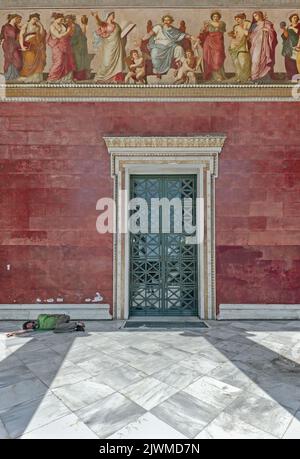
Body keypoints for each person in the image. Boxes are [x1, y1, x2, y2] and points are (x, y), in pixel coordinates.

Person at [92, 11, 126, 83]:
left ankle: (114, 79)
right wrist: (96, 16)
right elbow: (99, 23)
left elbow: (119, 34)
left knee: (117, 62)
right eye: (112, 15)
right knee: (107, 62)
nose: (113, 16)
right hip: (109, 45)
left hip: (117, 46)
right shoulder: (104, 24)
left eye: (114, 15)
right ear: (108, 16)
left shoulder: (116, 24)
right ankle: (100, 77)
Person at [249, 11, 278, 82]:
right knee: (255, 60)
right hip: (256, 45)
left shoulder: (267, 23)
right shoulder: (254, 25)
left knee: (265, 59)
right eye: (254, 16)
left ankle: (264, 76)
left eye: (256, 15)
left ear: (260, 15)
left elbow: (273, 34)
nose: (255, 17)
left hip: (265, 45)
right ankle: (255, 76)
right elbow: (250, 36)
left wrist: (267, 30)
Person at [47, 12, 75, 83]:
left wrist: (71, 28)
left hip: (66, 45)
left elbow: (70, 35)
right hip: (57, 46)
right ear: (56, 19)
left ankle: (64, 78)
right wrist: (68, 31)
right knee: (59, 61)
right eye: (61, 19)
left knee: (67, 61)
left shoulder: (62, 25)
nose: (62, 20)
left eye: (63, 19)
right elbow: (58, 36)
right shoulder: (52, 26)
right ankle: (52, 78)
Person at [18, 13, 46, 83]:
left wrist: (41, 25)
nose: (35, 21)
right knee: (29, 60)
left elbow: (42, 35)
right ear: (30, 18)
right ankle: (27, 77)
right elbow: (21, 35)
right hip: (29, 44)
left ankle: (35, 78)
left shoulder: (38, 26)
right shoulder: (26, 24)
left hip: (37, 45)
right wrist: (22, 46)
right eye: (34, 19)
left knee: (38, 61)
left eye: (37, 20)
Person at [200, 11, 227, 81]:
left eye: (217, 16)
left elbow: (221, 34)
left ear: (219, 17)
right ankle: (214, 76)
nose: (215, 18)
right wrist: (203, 29)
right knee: (209, 59)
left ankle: (219, 75)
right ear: (212, 17)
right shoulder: (208, 24)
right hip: (209, 42)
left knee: (218, 58)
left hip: (218, 42)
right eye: (214, 16)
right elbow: (203, 33)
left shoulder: (222, 24)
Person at [6, 314, 85, 337]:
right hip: (60, 325)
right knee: (56, 330)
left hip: (62, 317)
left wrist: (62, 316)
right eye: (28, 327)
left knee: (57, 327)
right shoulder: (38, 328)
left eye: (28, 324)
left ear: (30, 322)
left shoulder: (40, 317)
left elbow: (52, 315)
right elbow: (23, 331)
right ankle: (76, 328)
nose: (29, 326)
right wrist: (13, 333)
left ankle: (78, 323)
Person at [65, 14, 90, 81]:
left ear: (72, 19)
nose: (67, 21)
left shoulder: (77, 26)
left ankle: (78, 77)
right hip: (70, 45)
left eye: (69, 19)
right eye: (66, 20)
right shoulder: (66, 26)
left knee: (78, 61)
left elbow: (81, 35)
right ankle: (71, 76)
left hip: (78, 46)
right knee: (72, 61)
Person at [228, 13, 252, 83]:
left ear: (243, 18)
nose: (237, 21)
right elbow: (235, 35)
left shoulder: (247, 24)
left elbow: (247, 34)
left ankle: (246, 77)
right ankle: (239, 77)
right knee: (236, 63)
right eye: (236, 20)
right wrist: (232, 35)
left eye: (238, 19)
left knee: (244, 62)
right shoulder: (236, 27)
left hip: (244, 45)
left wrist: (243, 28)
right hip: (234, 45)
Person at [0, 14, 23, 81]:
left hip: (15, 45)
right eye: (18, 19)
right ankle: (9, 75)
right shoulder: (6, 26)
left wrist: (20, 29)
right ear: (14, 18)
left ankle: (16, 75)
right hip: (8, 45)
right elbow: (4, 35)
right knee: (9, 59)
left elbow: (20, 36)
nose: (19, 21)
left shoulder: (16, 27)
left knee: (18, 60)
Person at [281, 14, 300, 80]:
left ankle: (296, 77)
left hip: (297, 47)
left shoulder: (299, 26)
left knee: (296, 63)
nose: (295, 19)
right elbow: (285, 37)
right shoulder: (288, 27)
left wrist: (292, 28)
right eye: (294, 18)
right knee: (288, 62)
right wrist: (284, 29)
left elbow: (298, 32)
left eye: (296, 18)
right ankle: (290, 76)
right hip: (288, 47)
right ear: (291, 19)